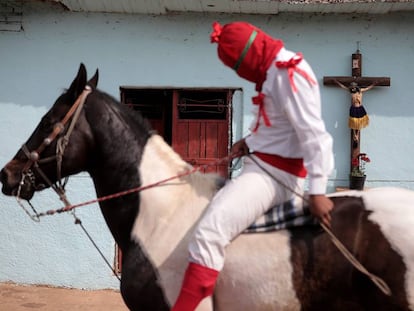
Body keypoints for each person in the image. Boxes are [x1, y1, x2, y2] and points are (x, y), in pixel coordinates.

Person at [171, 21, 334, 311]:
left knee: (209, 231)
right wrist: (250, 141)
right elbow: (283, 127)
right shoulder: (273, 71)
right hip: (262, 166)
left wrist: (318, 189)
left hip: (272, 177)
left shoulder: (288, 74)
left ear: (247, 56)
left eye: (236, 66)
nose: (239, 73)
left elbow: (313, 135)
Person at [334, 80, 376, 148]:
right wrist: (337, 83)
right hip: (353, 108)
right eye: (351, 87)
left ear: (356, 87)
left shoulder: (360, 91)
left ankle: (357, 135)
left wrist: (374, 84)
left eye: (353, 87)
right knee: (353, 123)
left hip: (359, 107)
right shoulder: (351, 92)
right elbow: (343, 87)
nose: (352, 88)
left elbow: (368, 88)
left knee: (359, 123)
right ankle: (355, 136)